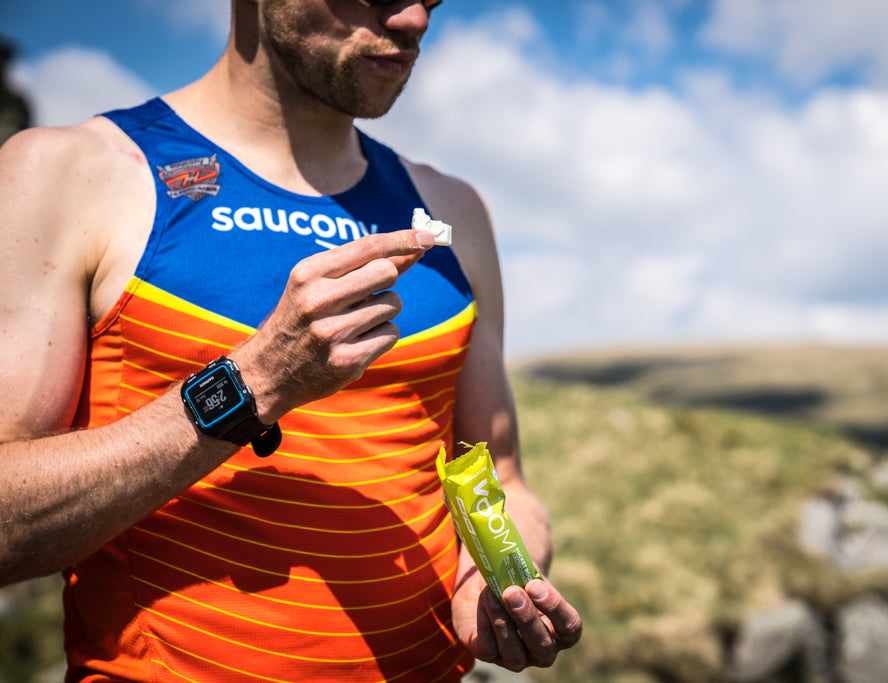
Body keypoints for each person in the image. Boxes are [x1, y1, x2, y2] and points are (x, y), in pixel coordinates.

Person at [0, 0, 582, 680]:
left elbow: (503, 477)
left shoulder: (451, 212)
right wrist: (250, 386)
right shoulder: (74, 174)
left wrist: (500, 574)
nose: (415, 20)